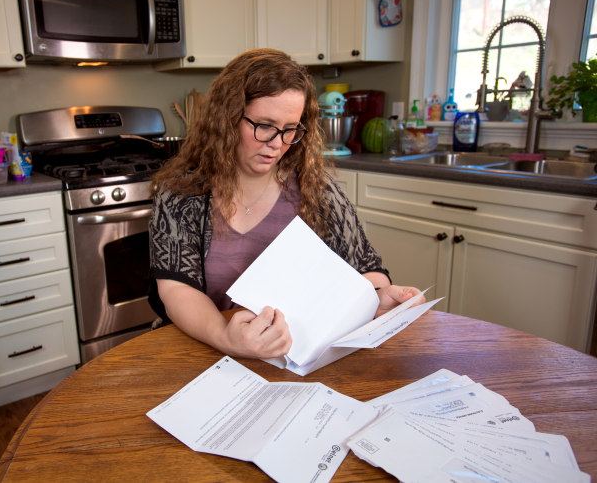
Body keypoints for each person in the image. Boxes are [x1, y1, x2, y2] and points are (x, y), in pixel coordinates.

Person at [148, 48, 423, 361]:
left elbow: (365, 268)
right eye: (264, 125)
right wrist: (226, 338)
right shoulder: (182, 194)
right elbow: (176, 289)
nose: (277, 143)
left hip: (294, 358)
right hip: (204, 350)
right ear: (227, 119)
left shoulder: (315, 190)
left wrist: (376, 298)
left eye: (290, 129)